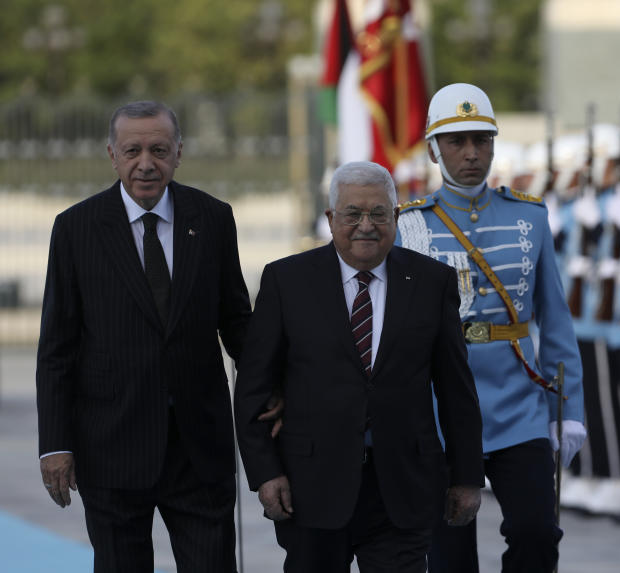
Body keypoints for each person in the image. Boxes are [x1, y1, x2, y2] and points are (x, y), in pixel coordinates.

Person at [234, 160, 484, 573]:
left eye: (378, 213)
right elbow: (253, 388)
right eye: (352, 214)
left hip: (403, 488)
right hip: (310, 488)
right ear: (331, 219)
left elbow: (457, 388)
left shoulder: (432, 282)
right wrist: (265, 473)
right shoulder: (286, 281)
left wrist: (467, 476)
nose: (365, 225)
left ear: (396, 217)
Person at [36, 100, 252, 572]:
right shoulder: (76, 229)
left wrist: (271, 387)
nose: (146, 163)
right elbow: (56, 348)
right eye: (132, 150)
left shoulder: (213, 219)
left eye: (159, 149)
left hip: (199, 446)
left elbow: (237, 322)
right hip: (112, 446)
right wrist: (55, 443)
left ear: (179, 152)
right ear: (112, 155)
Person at [395, 82, 586, 573]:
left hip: (517, 404)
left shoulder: (529, 216)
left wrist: (568, 408)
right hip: (439, 409)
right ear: (434, 149)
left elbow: (555, 319)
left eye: (481, 140)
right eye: (457, 142)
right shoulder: (409, 225)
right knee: (450, 554)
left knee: (537, 533)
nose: (472, 153)